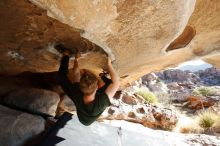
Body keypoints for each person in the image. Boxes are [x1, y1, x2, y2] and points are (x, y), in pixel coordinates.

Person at [57, 46, 119, 126]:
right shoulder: (101, 102)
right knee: (110, 84)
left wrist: (76, 60)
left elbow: (76, 74)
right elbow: (116, 83)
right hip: (87, 119)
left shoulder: (75, 92)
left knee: (61, 77)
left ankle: (66, 54)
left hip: (82, 114)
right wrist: (109, 64)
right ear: (97, 88)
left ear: (80, 86)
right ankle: (102, 76)